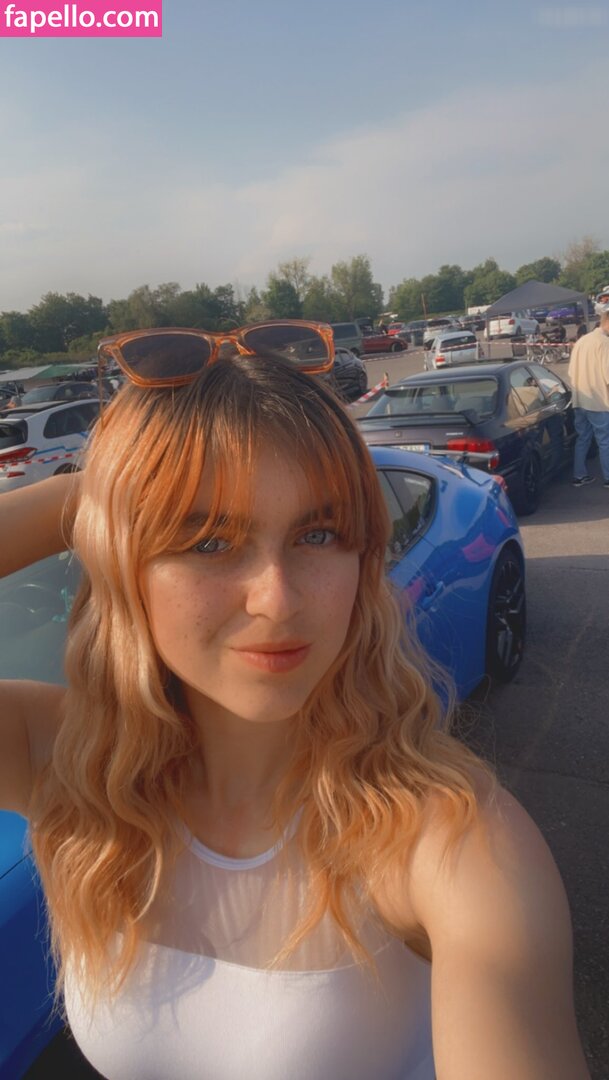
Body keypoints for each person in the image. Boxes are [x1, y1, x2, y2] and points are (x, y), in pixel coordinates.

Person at [0, 322, 590, 1080]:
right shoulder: (66, 763)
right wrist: (91, 494)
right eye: (209, 540)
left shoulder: (449, 843)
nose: (276, 601)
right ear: (123, 563)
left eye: (318, 535)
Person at [568, 302, 609, 488]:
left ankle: (579, 476)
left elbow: (571, 372)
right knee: (604, 441)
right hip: (599, 402)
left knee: (582, 438)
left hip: (579, 400)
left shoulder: (582, 341)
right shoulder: (604, 343)